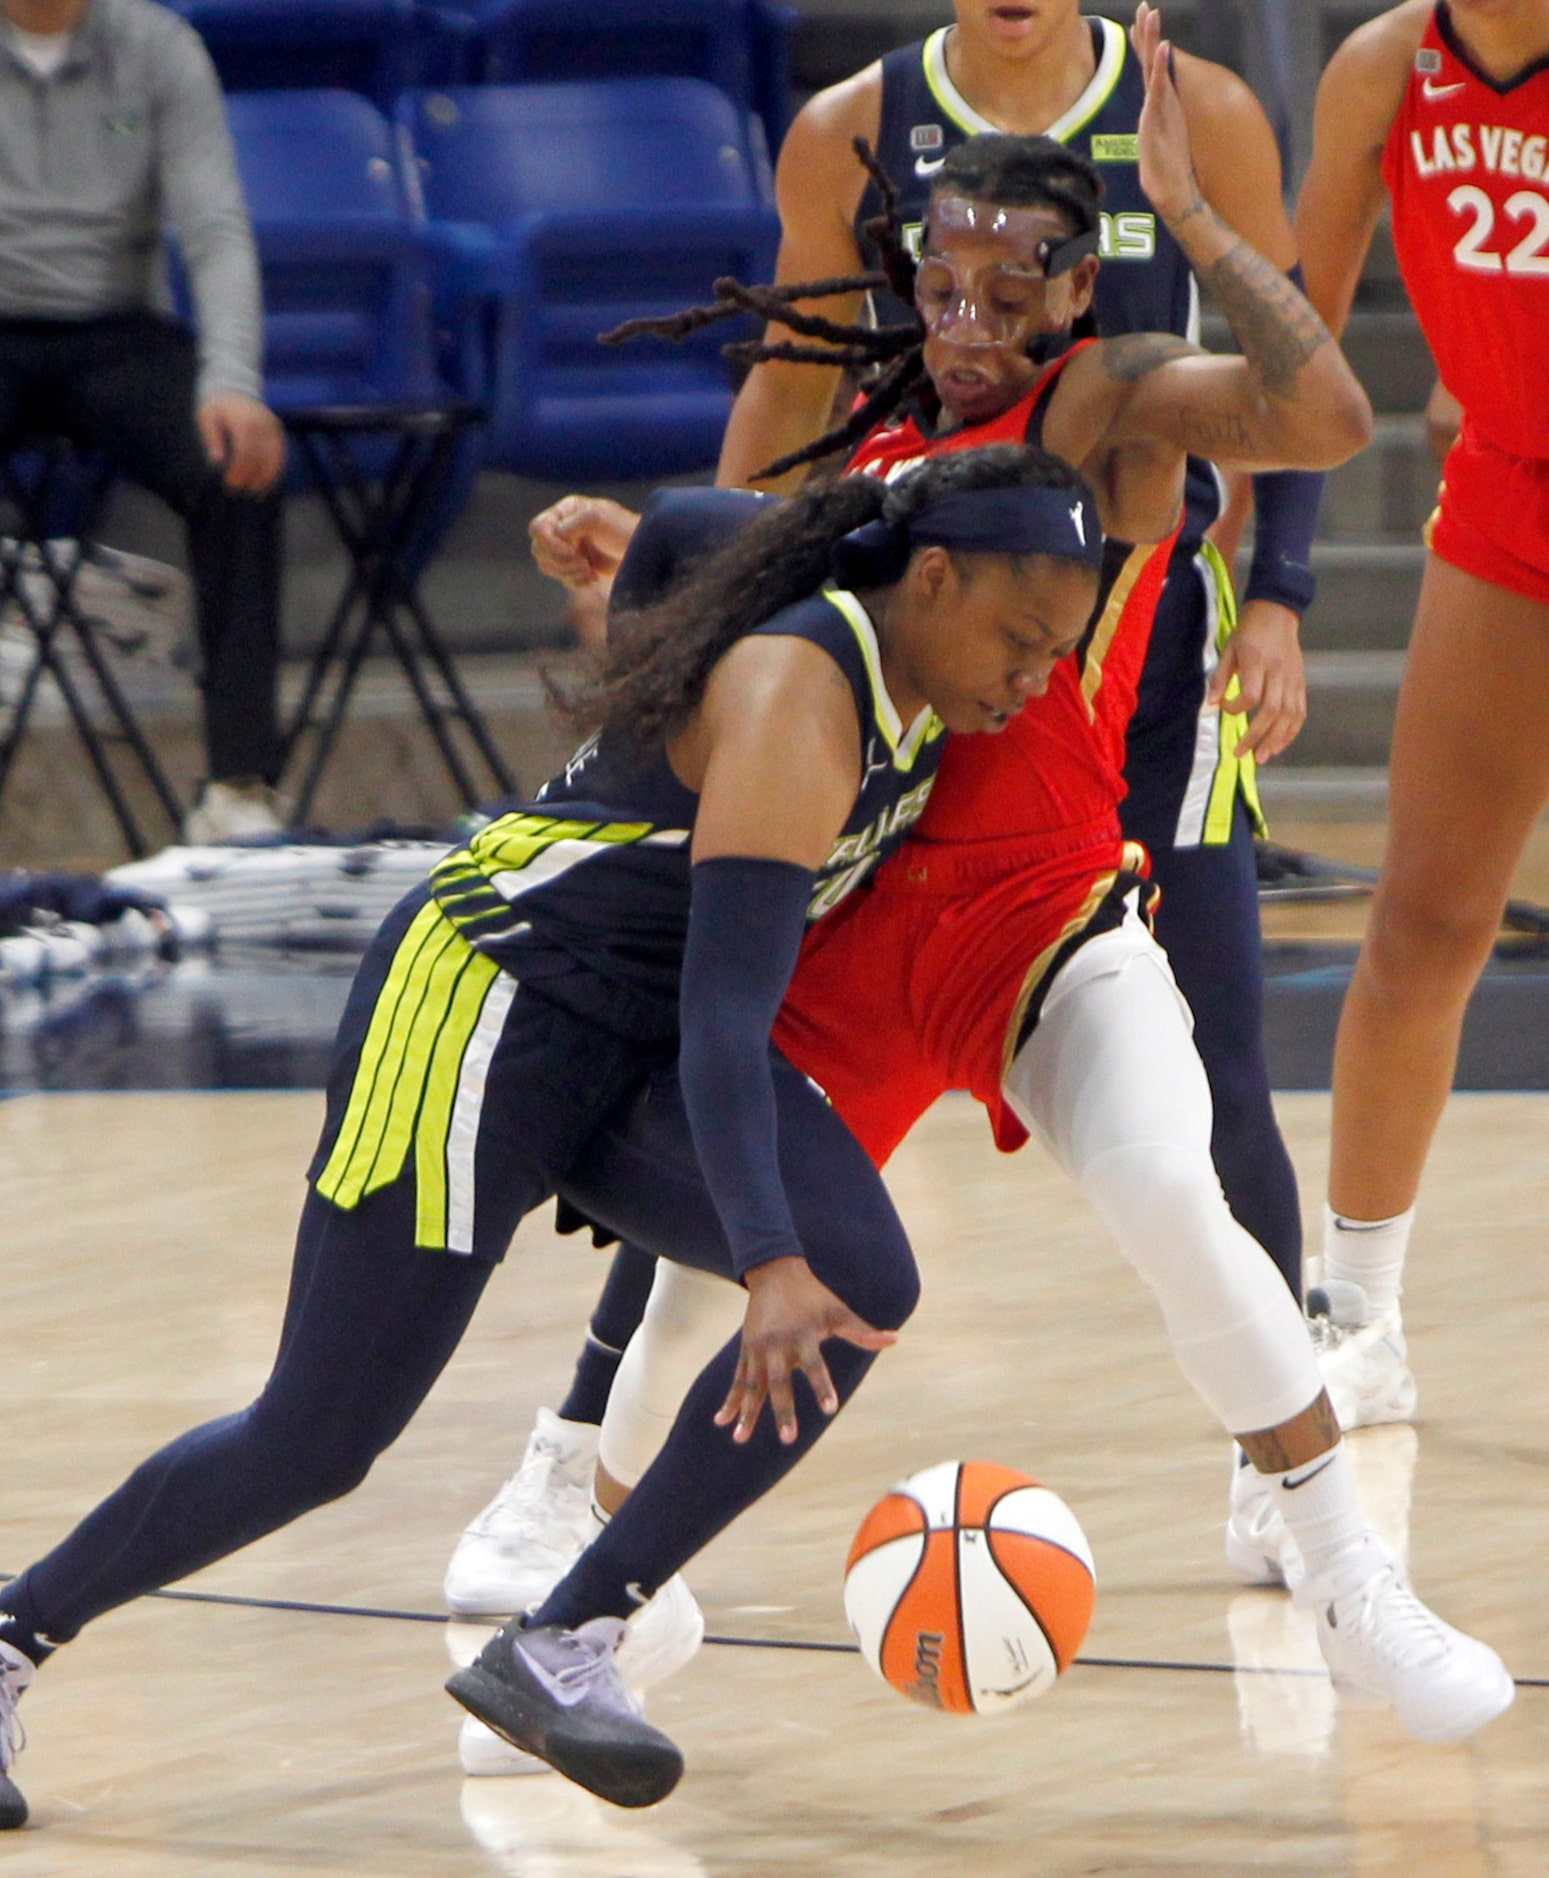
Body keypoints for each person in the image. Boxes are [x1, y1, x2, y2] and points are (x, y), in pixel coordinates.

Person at [451, 10, 1514, 1785]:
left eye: (1004, 288)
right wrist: (635, 550)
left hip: (1044, 936)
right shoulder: (875, 427)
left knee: (1181, 1191)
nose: (965, 319)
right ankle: (591, 1585)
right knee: (718, 1257)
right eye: (939, 284)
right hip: (863, 930)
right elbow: (753, 580)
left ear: (1070, 293)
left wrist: (1190, 219)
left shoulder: (1106, 407)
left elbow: (1321, 409)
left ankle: (1349, 1575)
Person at [0, 441, 1110, 1827]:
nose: (1032, 677)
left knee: (859, 1279)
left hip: (625, 1029)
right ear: (932, 577)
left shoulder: (880, 594)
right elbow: (724, 1020)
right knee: (319, 1433)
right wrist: (758, 1253)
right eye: (1019, 639)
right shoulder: (801, 697)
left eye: (1057, 649)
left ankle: (564, 1638)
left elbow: (702, 534)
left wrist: (631, 543)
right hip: (485, 1003)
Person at [1295, 0, 1549, 1429]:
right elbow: (1298, 339)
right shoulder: (1384, 71)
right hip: (1510, 505)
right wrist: (1245, 568)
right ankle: (1361, 1314)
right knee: (1426, 919)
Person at [0, 0, 287, 870]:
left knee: (238, 466)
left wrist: (233, 385)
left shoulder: (162, 48)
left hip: (116, 332)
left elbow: (216, 231)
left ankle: (241, 788)